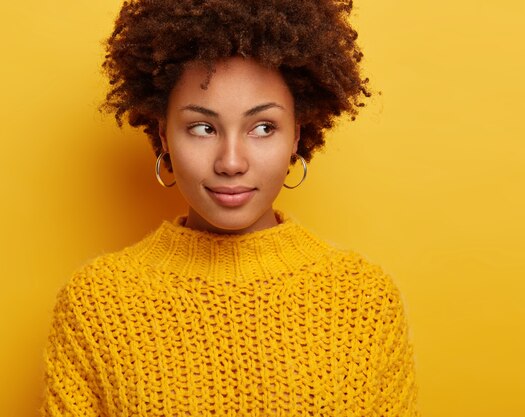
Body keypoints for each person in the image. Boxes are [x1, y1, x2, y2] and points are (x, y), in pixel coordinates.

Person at [41, 0, 419, 416]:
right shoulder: (97, 305)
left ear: (297, 133)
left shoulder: (364, 301)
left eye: (263, 128)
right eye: (203, 128)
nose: (232, 162)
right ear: (165, 134)